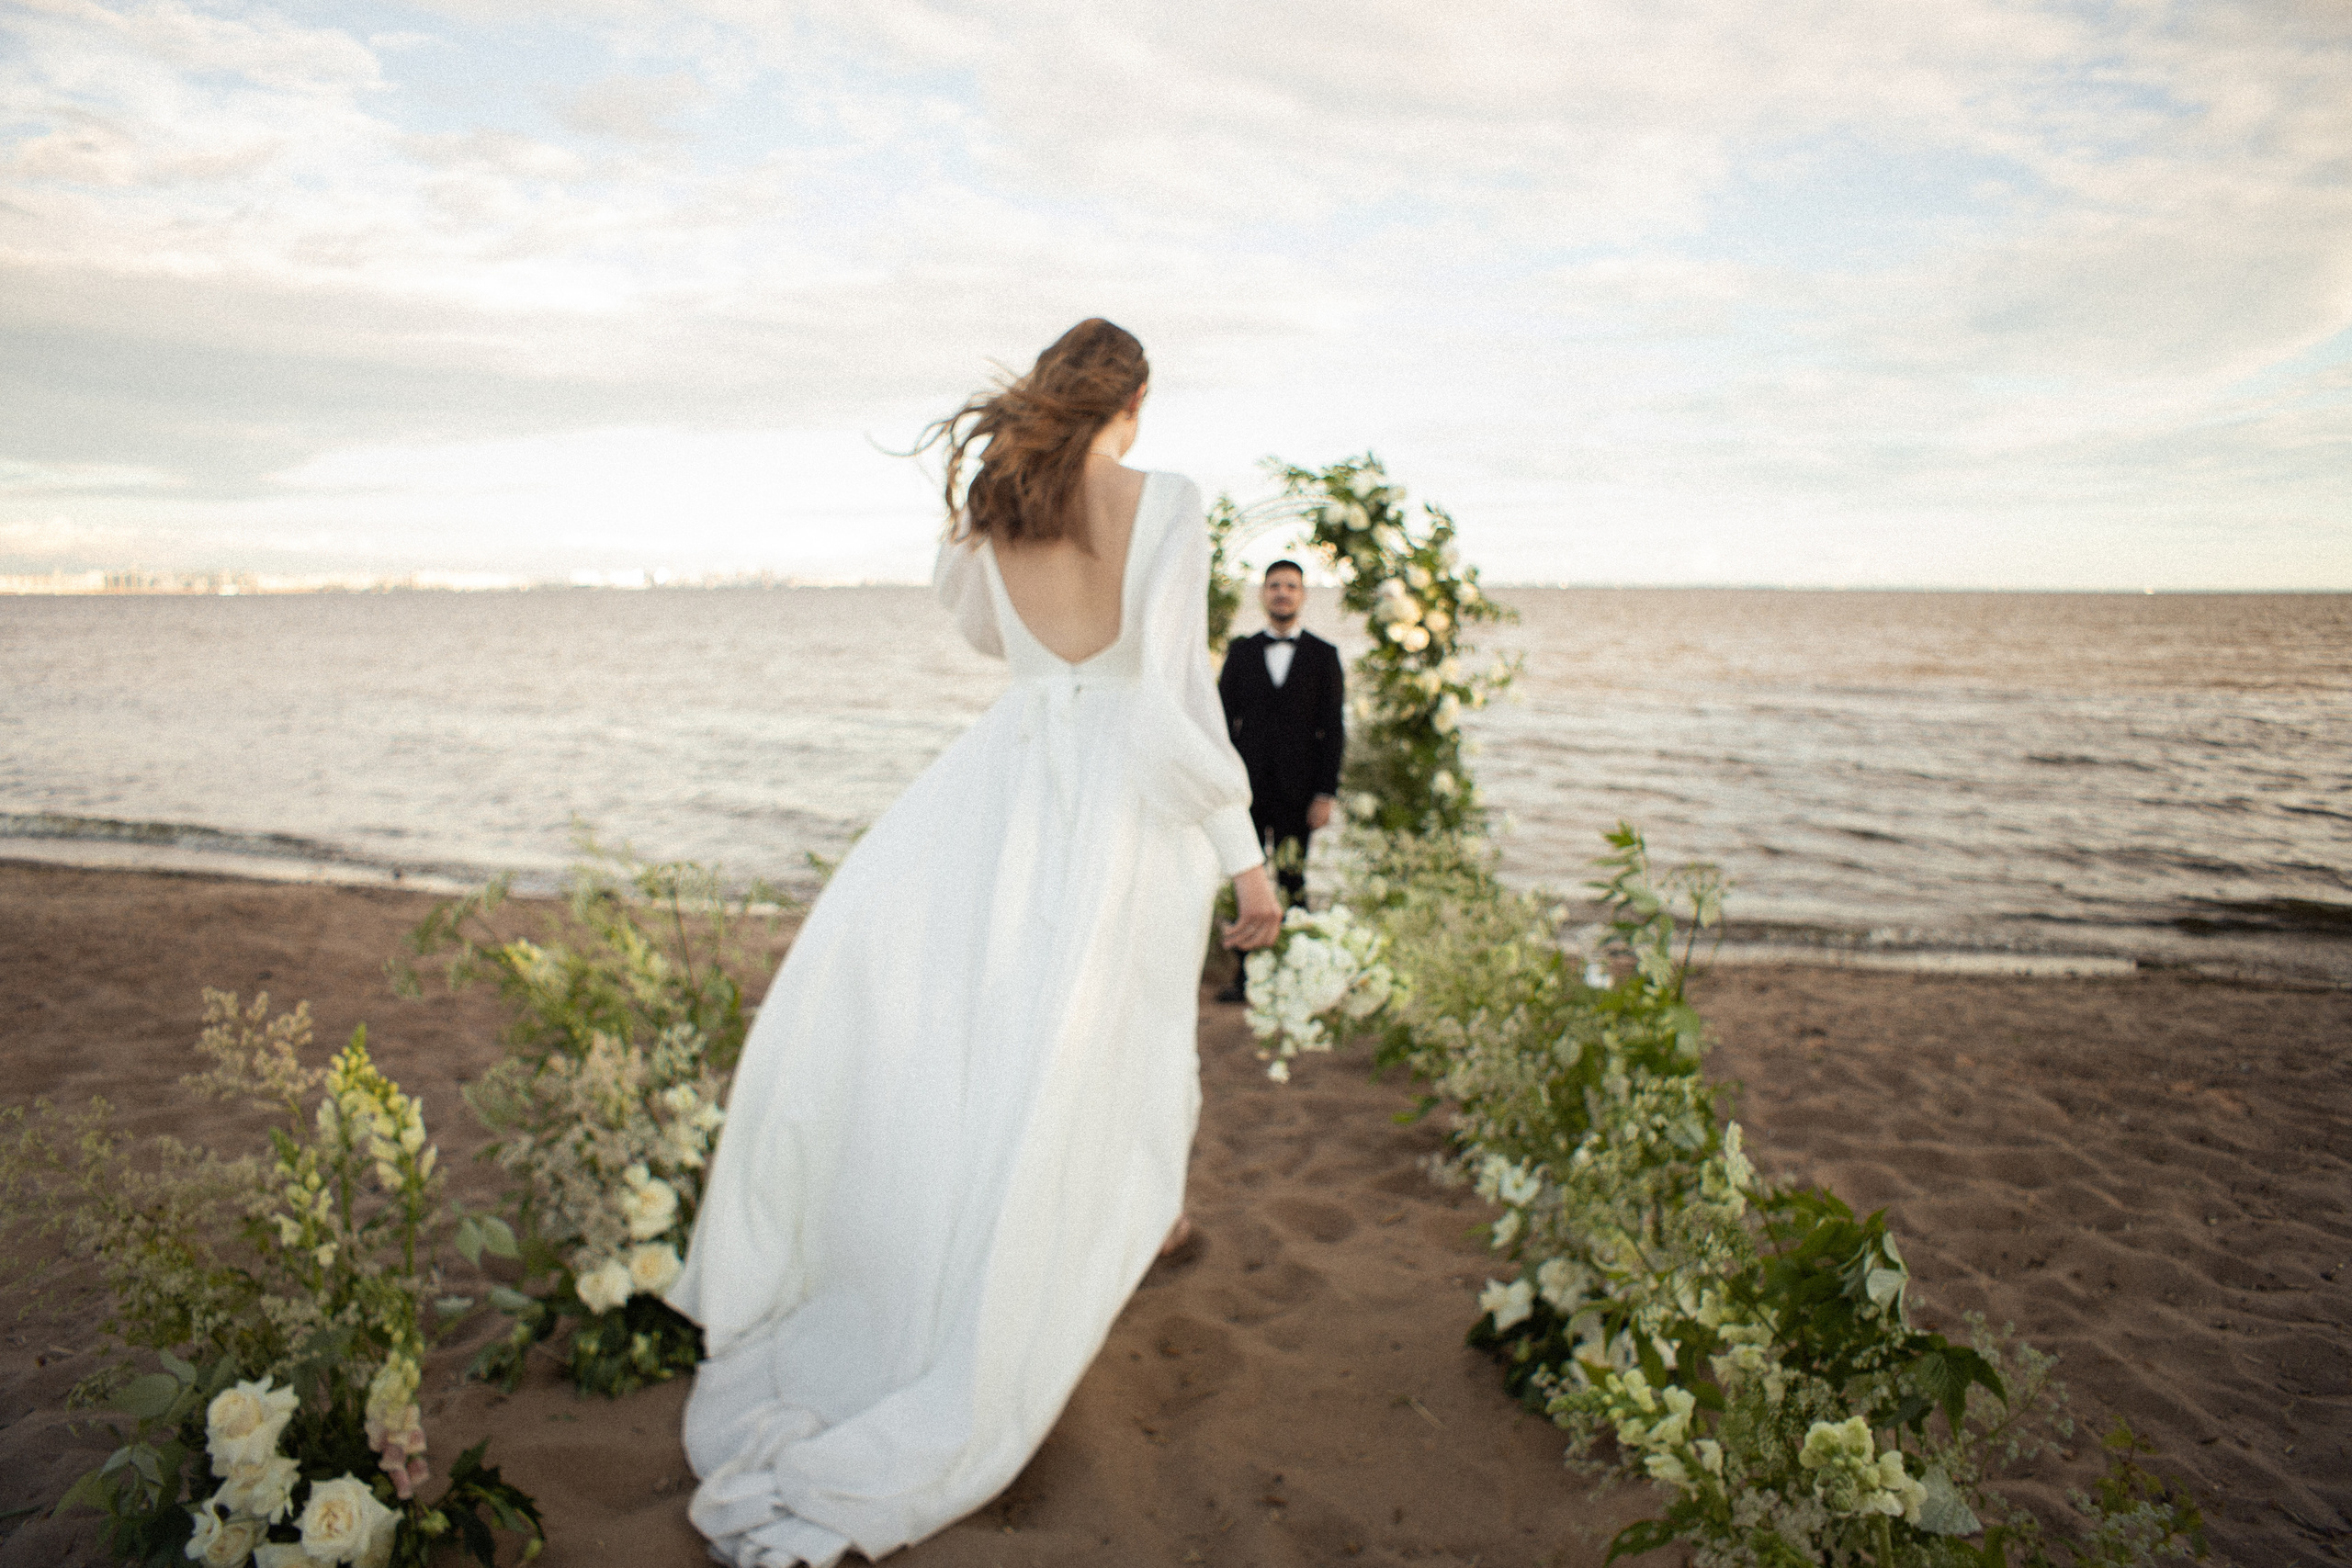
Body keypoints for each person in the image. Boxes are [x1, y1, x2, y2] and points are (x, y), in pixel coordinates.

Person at [664, 318, 1283, 1568]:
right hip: (1120, 801)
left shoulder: (999, 501)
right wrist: (1244, 854)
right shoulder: (1165, 499)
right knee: (1105, 1036)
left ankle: (1039, 1246)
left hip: (1007, 779)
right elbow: (1177, 694)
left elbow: (983, 636)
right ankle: (1080, 1251)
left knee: (988, 1030)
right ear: (1135, 400)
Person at [1213, 561, 1345, 1000]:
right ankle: (1245, 978)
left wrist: (1325, 794)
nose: (1282, 592)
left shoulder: (1324, 655)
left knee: (1292, 880)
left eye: (1291, 586)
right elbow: (1219, 723)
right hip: (1245, 794)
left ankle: (1296, 976)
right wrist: (1222, 790)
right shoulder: (1241, 652)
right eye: (1274, 585)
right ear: (1263, 594)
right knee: (1246, 883)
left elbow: (1333, 730)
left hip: (1299, 794)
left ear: (1302, 595)